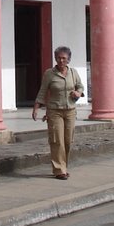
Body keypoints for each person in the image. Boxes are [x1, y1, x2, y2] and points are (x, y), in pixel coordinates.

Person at [31, 46, 84, 180]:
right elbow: (43, 90)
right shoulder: (50, 73)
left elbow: (80, 86)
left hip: (70, 111)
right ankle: (59, 170)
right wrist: (36, 108)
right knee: (57, 140)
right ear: (55, 58)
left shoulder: (73, 72)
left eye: (64, 58)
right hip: (55, 111)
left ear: (68, 59)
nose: (61, 60)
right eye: (59, 58)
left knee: (68, 141)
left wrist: (78, 93)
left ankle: (64, 166)